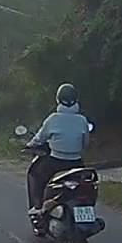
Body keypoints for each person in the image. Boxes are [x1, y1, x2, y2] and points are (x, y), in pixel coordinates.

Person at [25, 83, 90, 214]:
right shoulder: (82, 120)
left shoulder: (53, 119)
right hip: (77, 163)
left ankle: (37, 208)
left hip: (55, 162)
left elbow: (40, 138)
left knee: (35, 175)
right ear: (76, 100)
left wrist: (30, 144)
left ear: (58, 99)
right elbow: (85, 143)